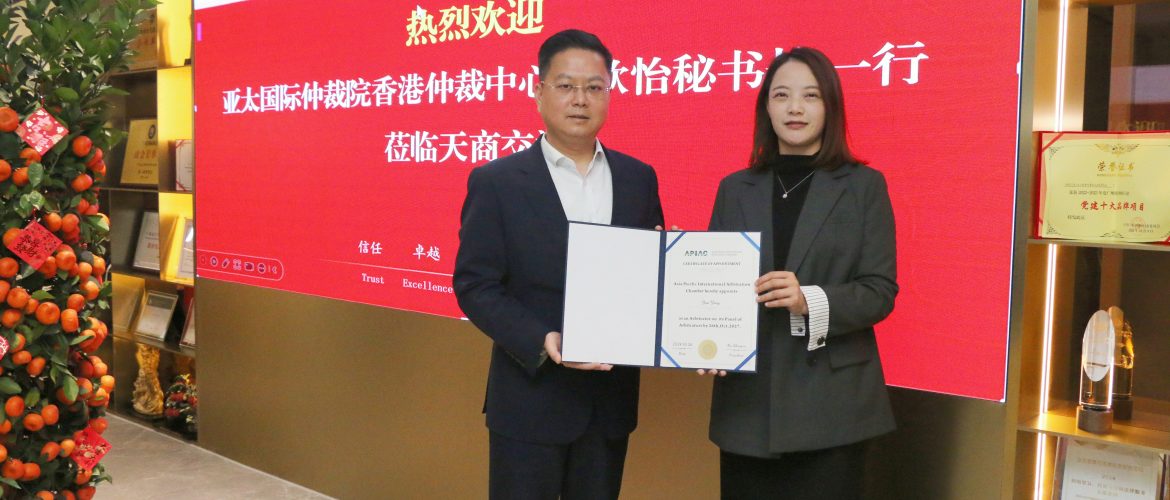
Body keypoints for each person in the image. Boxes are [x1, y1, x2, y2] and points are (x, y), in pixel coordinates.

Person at [453, 29, 664, 500]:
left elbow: (649, 277)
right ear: (539, 91)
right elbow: (475, 284)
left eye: (594, 87)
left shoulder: (638, 178)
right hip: (529, 400)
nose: (580, 99)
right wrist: (541, 339)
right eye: (566, 85)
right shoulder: (497, 182)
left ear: (609, 94)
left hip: (608, 404)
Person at [702, 47, 899, 499]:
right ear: (766, 107)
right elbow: (716, 285)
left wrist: (809, 299)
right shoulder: (735, 188)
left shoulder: (863, 186)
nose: (795, 108)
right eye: (781, 95)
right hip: (748, 407)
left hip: (832, 405)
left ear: (830, 107)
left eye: (810, 96)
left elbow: (879, 291)